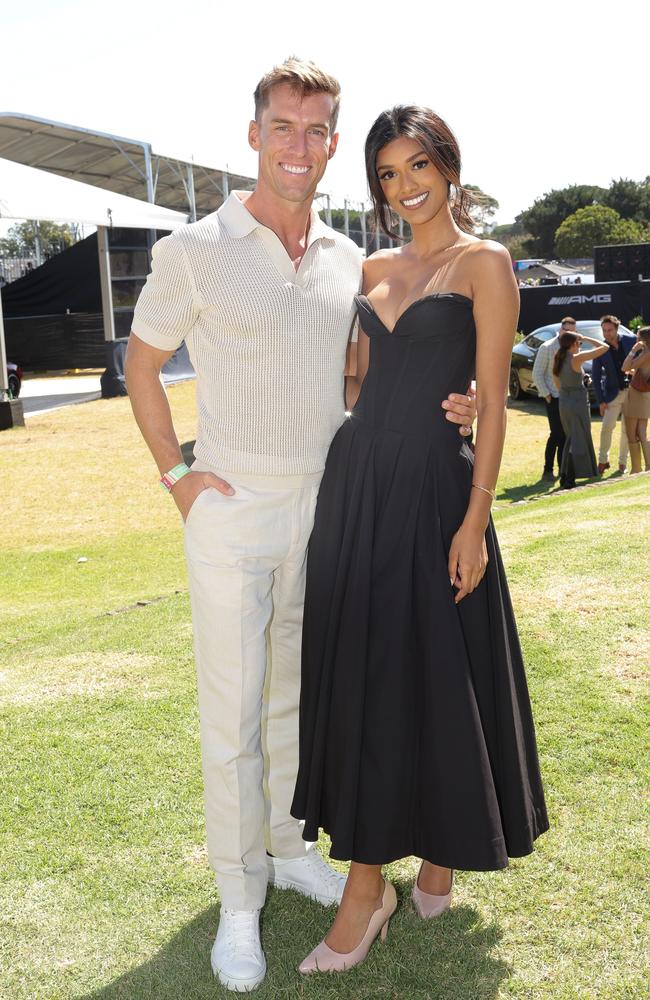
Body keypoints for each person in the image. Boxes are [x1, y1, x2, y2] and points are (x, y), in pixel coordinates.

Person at [124, 60, 476, 993]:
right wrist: (180, 478)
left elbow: (362, 378)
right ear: (254, 135)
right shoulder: (194, 248)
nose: (300, 145)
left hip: (331, 511)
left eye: (318, 131)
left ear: (332, 145)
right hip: (230, 512)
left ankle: (286, 850)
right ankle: (240, 905)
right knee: (233, 718)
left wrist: (463, 402)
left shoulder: (343, 260)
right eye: (284, 126)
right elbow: (143, 363)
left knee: (296, 700)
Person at [291, 105, 549, 976]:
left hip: (438, 489)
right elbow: (358, 379)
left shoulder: (487, 263)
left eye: (415, 167)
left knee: (442, 669)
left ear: (448, 163)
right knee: (373, 668)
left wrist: (475, 517)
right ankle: (402, 866)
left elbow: (495, 398)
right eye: (388, 176)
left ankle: (382, 886)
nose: (404, 189)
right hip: (357, 483)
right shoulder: (369, 265)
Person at [552, 331, 608, 489]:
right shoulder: (576, 358)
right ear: (572, 344)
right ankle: (569, 478)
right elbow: (604, 347)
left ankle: (565, 475)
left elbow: (558, 383)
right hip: (578, 403)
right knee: (579, 438)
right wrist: (586, 337)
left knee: (571, 437)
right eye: (579, 342)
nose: (580, 345)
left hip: (565, 402)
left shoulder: (558, 357)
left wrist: (583, 381)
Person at [592, 314, 636, 475]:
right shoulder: (600, 348)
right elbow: (596, 377)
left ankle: (623, 463)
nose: (606, 334)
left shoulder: (630, 340)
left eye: (610, 330)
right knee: (606, 427)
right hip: (612, 394)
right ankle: (603, 461)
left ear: (617, 328)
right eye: (604, 330)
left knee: (627, 429)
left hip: (633, 393)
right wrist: (601, 401)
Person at [531, 317, 573, 481]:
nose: (569, 333)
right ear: (561, 329)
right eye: (567, 330)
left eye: (572, 330)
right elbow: (537, 373)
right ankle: (547, 470)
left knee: (564, 435)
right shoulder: (547, 347)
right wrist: (547, 395)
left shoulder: (572, 346)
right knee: (556, 434)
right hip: (553, 397)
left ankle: (563, 469)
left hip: (568, 397)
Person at [622, 326, 650, 472]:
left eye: (638, 338)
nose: (636, 339)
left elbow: (624, 367)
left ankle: (637, 469)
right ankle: (644, 467)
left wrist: (633, 350)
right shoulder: (646, 354)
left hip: (637, 394)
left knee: (632, 433)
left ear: (644, 340)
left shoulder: (646, 353)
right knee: (641, 432)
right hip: (645, 395)